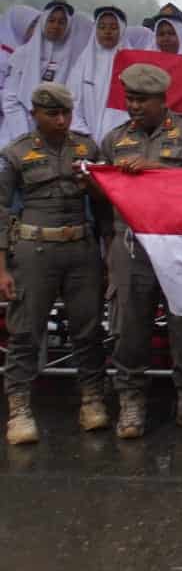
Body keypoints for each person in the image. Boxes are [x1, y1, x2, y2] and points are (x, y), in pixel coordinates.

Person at [101, 63, 182, 438]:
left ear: (161, 100)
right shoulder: (114, 139)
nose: (133, 106)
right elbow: (103, 202)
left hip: (178, 246)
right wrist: (109, 249)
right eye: (129, 99)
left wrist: (154, 170)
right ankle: (131, 402)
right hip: (130, 245)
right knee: (130, 329)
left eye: (141, 99)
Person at [1, 83, 113, 444]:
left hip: (81, 249)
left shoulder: (87, 147)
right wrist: (1, 267)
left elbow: (103, 207)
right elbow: (1, 212)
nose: (61, 120)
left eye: (66, 112)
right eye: (53, 114)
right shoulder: (15, 154)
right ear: (35, 114)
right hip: (34, 252)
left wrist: (108, 252)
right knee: (25, 333)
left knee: (88, 330)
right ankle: (19, 409)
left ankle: (92, 400)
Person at [1, 0, 90, 146]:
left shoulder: (75, 59)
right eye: (51, 20)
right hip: (17, 129)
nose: (56, 26)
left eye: (62, 22)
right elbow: (11, 99)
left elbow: (73, 98)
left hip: (55, 130)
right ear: (43, 22)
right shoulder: (22, 54)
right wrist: (24, 136)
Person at [66, 6, 139, 142]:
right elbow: (72, 101)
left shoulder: (132, 66)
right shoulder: (83, 63)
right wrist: (83, 134)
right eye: (102, 27)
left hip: (123, 140)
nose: (107, 32)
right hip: (85, 139)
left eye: (113, 27)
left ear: (122, 30)